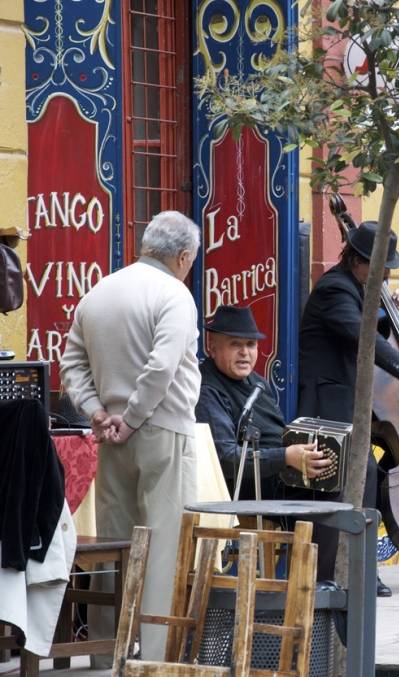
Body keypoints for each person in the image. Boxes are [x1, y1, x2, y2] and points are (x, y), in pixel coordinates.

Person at [60, 210, 201, 661]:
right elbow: (163, 366)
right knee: (162, 544)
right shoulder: (174, 296)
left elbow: (71, 365)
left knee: (115, 541)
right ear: (182, 256)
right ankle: (157, 655)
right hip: (160, 428)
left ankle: (106, 651)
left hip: (110, 431)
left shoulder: (99, 292)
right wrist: (134, 416)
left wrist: (98, 412)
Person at [298, 220, 399, 596]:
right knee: (346, 486)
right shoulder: (334, 289)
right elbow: (360, 337)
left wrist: (387, 314)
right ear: (360, 260)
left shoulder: (354, 288)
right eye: (383, 267)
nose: (386, 275)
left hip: (349, 407)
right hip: (326, 407)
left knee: (368, 481)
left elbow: (365, 330)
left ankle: (357, 570)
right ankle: (332, 575)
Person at [195, 305, 332, 501]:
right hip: (248, 490)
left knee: (344, 474)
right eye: (235, 344)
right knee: (329, 495)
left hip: (278, 477)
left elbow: (277, 435)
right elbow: (225, 458)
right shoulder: (207, 390)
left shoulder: (257, 382)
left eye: (251, 344)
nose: (244, 352)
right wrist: (285, 457)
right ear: (213, 348)